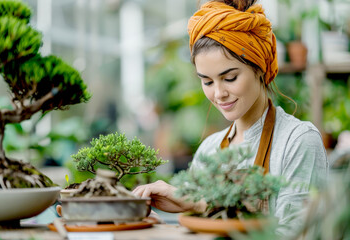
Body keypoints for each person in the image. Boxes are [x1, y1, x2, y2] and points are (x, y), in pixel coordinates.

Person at [132, 0, 328, 236]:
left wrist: (200, 203)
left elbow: (296, 233)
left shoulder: (298, 141)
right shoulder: (209, 150)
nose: (218, 93)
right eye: (207, 81)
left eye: (230, 77)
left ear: (259, 68)